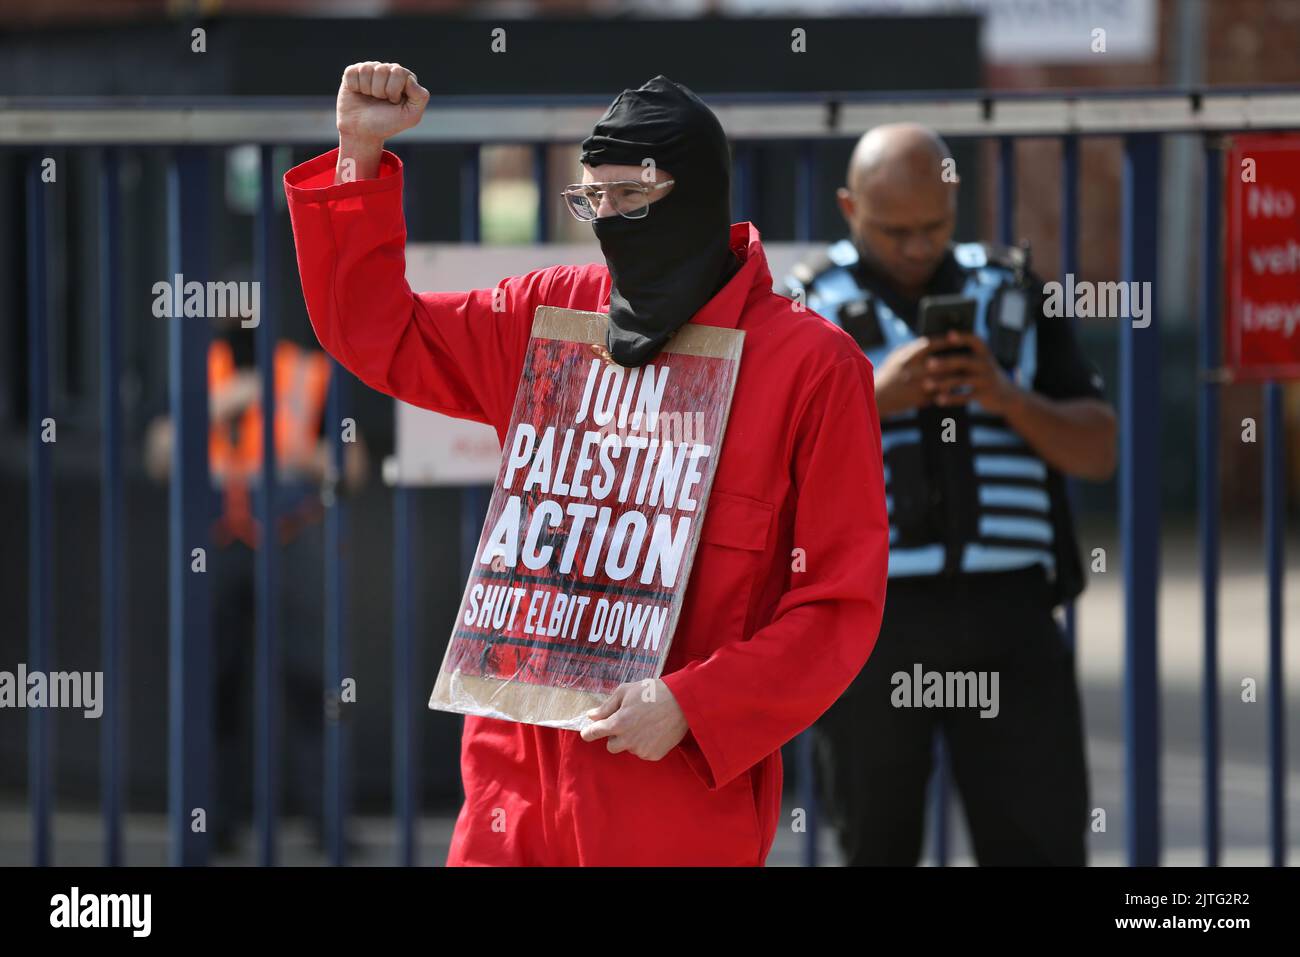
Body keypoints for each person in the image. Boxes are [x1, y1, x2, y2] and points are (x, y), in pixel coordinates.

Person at [283, 62, 890, 866]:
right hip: (512, 781)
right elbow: (376, 331)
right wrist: (358, 152)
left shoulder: (811, 367)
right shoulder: (554, 314)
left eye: (632, 197)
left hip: (672, 785)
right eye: (591, 199)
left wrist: (691, 702)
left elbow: (838, 608)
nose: (610, 221)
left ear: (699, 195)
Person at [784, 123, 1116, 866]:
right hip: (871, 619)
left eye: (932, 225)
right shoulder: (801, 305)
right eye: (893, 228)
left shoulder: (1015, 289)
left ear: (955, 200)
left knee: (1040, 839)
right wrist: (875, 397)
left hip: (1010, 613)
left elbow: (1099, 446)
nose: (913, 245)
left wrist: (1006, 397)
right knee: (874, 839)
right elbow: (765, 455)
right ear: (849, 206)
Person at [144, 321, 367, 854]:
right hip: (217, 545)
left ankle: (329, 824)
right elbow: (158, 456)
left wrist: (305, 458)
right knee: (212, 686)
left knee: (314, 685)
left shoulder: (309, 371)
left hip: (291, 542)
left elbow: (352, 467)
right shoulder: (195, 370)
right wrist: (220, 405)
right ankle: (211, 824)